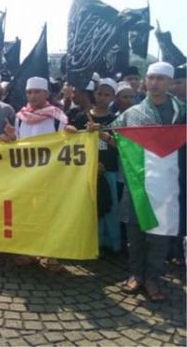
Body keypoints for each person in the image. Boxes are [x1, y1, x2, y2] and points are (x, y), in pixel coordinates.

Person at [113, 62, 186, 302]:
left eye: (161, 78)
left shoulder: (182, 112)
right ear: (145, 81)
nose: (155, 83)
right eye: (151, 78)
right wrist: (90, 132)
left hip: (168, 183)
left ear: (171, 83)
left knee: (160, 234)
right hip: (138, 183)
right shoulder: (132, 113)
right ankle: (136, 275)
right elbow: (113, 136)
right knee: (135, 232)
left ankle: (153, 278)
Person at [1, 76, 75, 272]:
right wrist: (11, 137)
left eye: (37, 92)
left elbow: (65, 145)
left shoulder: (58, 117)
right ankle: (29, 251)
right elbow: (18, 143)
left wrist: (71, 134)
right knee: (28, 213)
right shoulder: (20, 117)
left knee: (51, 214)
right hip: (26, 176)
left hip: (50, 175)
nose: (32, 96)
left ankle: (52, 254)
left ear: (46, 94)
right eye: (29, 92)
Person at [74, 78, 121, 254]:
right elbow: (72, 142)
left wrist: (102, 134)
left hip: (108, 170)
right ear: (94, 94)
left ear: (113, 97)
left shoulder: (116, 120)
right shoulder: (81, 117)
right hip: (86, 170)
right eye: (100, 93)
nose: (102, 97)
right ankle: (89, 242)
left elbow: (121, 146)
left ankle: (110, 244)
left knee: (110, 206)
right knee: (88, 207)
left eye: (107, 95)